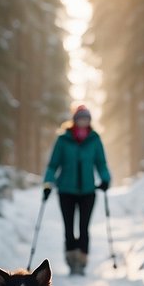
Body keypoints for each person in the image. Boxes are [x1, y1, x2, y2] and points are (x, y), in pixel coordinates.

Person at [43, 105, 111, 276]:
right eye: (80, 118)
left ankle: (82, 262)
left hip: (88, 191)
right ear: (74, 120)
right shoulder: (63, 140)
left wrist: (105, 179)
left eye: (86, 118)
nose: (83, 121)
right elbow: (53, 165)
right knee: (68, 228)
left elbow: (101, 163)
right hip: (66, 191)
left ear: (89, 121)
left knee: (84, 228)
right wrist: (47, 184)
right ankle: (71, 261)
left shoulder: (94, 139)